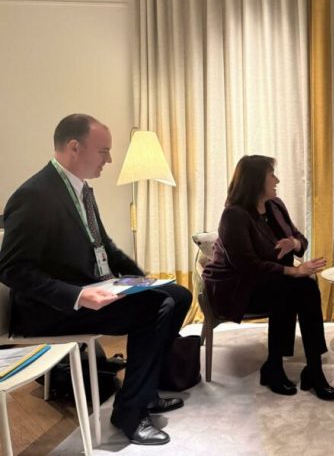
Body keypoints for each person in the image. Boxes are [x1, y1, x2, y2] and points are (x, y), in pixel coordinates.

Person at [0, 114, 192, 446]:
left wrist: (141, 278)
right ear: (75, 147)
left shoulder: (81, 191)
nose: (109, 159)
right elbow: (12, 269)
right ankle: (130, 412)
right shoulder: (35, 195)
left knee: (178, 295)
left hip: (90, 289)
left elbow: (105, 248)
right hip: (49, 308)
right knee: (154, 308)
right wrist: (78, 296)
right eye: (103, 151)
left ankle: (144, 391)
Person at [202, 155, 334, 400]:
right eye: (271, 175)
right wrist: (293, 271)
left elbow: (300, 239)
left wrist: (293, 243)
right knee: (290, 289)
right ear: (255, 181)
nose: (277, 180)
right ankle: (278, 367)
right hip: (237, 288)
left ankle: (312, 368)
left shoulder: (275, 206)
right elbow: (246, 266)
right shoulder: (234, 215)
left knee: (304, 287)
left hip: (272, 281)